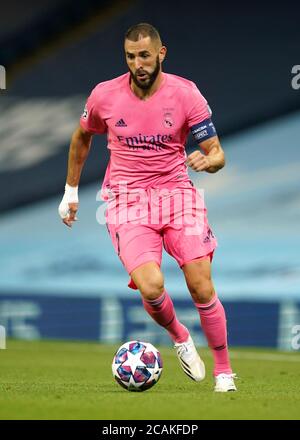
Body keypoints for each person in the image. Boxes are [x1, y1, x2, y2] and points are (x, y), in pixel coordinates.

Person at [58, 23, 236, 392]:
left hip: (177, 195)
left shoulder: (186, 94)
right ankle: (180, 336)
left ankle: (223, 372)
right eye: (129, 56)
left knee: (201, 285)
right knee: (151, 286)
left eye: (143, 55)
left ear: (161, 54)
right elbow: (81, 137)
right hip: (127, 199)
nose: (137, 63)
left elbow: (216, 151)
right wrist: (70, 191)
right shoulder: (104, 96)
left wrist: (211, 161)